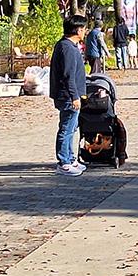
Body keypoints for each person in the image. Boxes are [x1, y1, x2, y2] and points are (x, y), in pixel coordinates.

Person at [50, 15, 88, 176]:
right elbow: (68, 75)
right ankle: (63, 161)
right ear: (78, 30)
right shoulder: (67, 48)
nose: (85, 32)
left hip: (70, 95)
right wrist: (74, 96)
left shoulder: (69, 46)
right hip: (67, 96)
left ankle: (71, 158)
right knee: (66, 128)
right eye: (84, 28)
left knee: (72, 128)